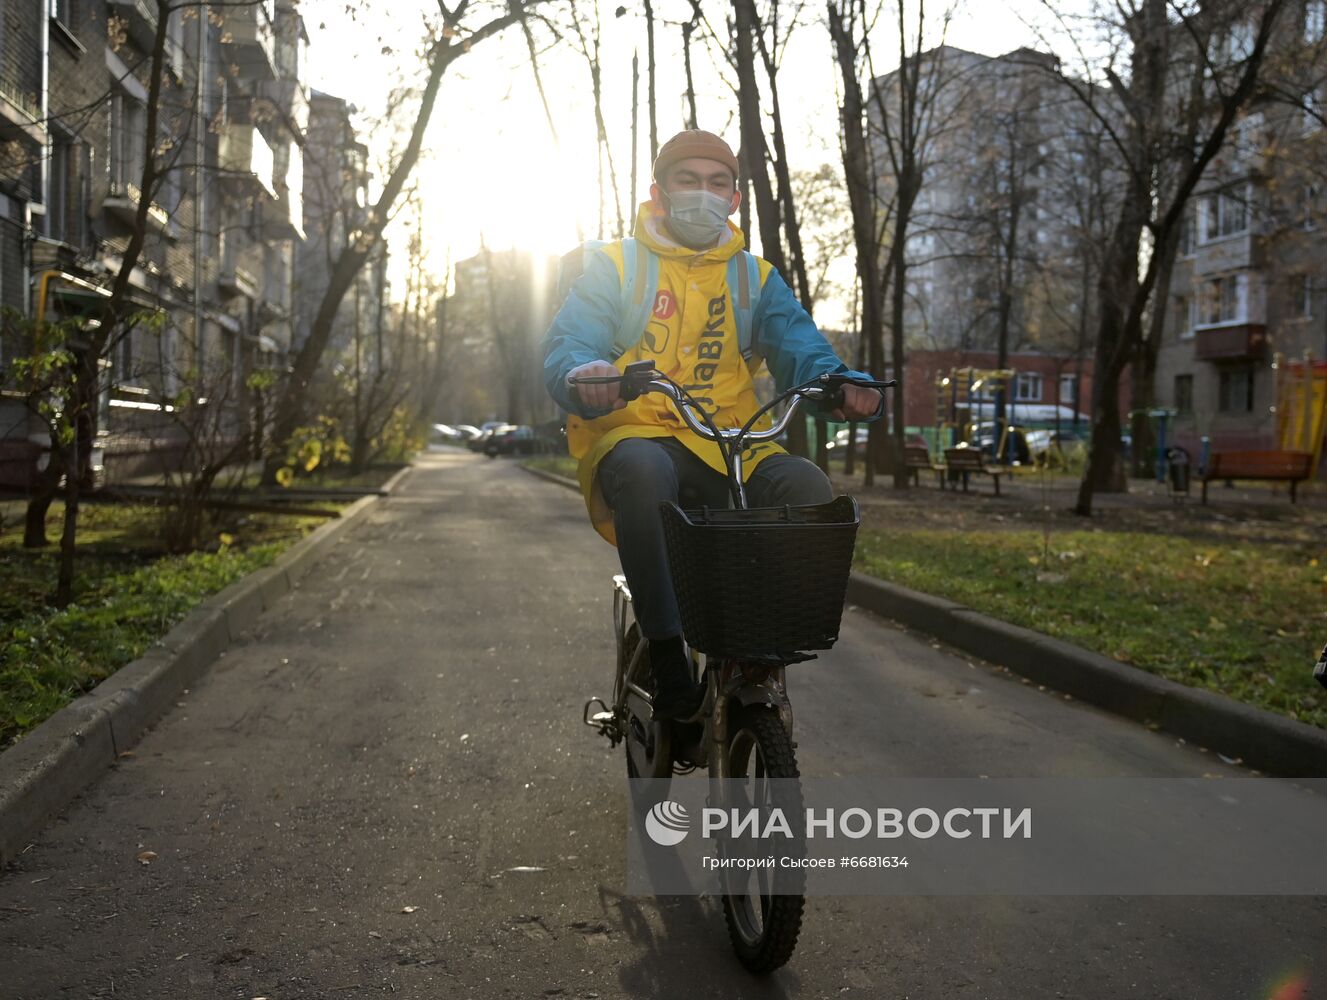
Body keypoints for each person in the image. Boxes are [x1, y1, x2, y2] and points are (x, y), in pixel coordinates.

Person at [542, 129, 883, 721]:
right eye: (688, 180)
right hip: (637, 435)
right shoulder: (614, 266)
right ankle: (670, 660)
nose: (703, 193)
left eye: (717, 183)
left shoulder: (755, 277)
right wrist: (582, 371)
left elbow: (801, 347)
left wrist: (839, 384)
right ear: (659, 191)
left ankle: (761, 651)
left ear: (734, 200)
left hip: (732, 444)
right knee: (645, 470)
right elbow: (571, 341)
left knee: (807, 486)